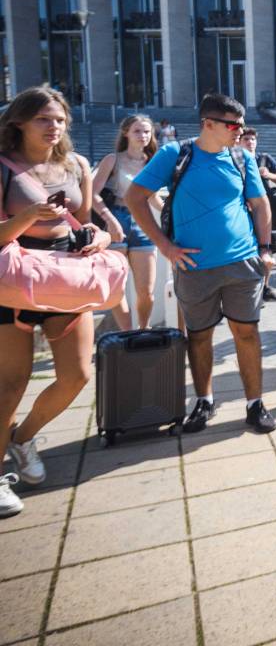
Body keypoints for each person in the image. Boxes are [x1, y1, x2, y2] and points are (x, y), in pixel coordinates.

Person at [126, 93, 276, 434]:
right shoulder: (175, 154)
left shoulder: (241, 157)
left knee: (247, 334)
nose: (239, 130)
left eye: (240, 124)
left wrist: (265, 249)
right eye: (232, 125)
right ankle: (204, 401)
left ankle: (255, 404)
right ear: (208, 124)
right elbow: (134, 198)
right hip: (194, 267)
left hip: (243, 262)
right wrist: (165, 246)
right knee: (199, 336)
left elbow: (261, 204)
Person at [0, 86, 112, 517]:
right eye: (44, 119)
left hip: (64, 277)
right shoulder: (5, 167)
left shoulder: (76, 164)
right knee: (11, 383)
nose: (54, 127)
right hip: (13, 279)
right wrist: (29, 216)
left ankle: (22, 437)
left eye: (60, 119)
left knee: (78, 374)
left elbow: (83, 223)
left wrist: (98, 237)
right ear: (19, 122)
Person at [91, 114, 161, 330]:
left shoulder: (152, 162)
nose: (143, 136)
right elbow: (92, 193)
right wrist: (110, 220)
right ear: (126, 133)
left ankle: (143, 329)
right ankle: (127, 332)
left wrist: (173, 213)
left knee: (146, 291)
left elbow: (153, 197)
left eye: (147, 131)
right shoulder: (113, 160)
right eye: (138, 131)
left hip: (143, 221)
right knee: (116, 287)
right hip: (116, 219)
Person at [237, 127, 276, 302]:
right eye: (246, 139)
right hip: (242, 216)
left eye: (252, 139)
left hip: (263, 215)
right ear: (239, 142)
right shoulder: (235, 161)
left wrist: (269, 175)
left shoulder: (264, 159)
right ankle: (248, 291)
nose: (250, 142)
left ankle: (265, 288)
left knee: (268, 252)